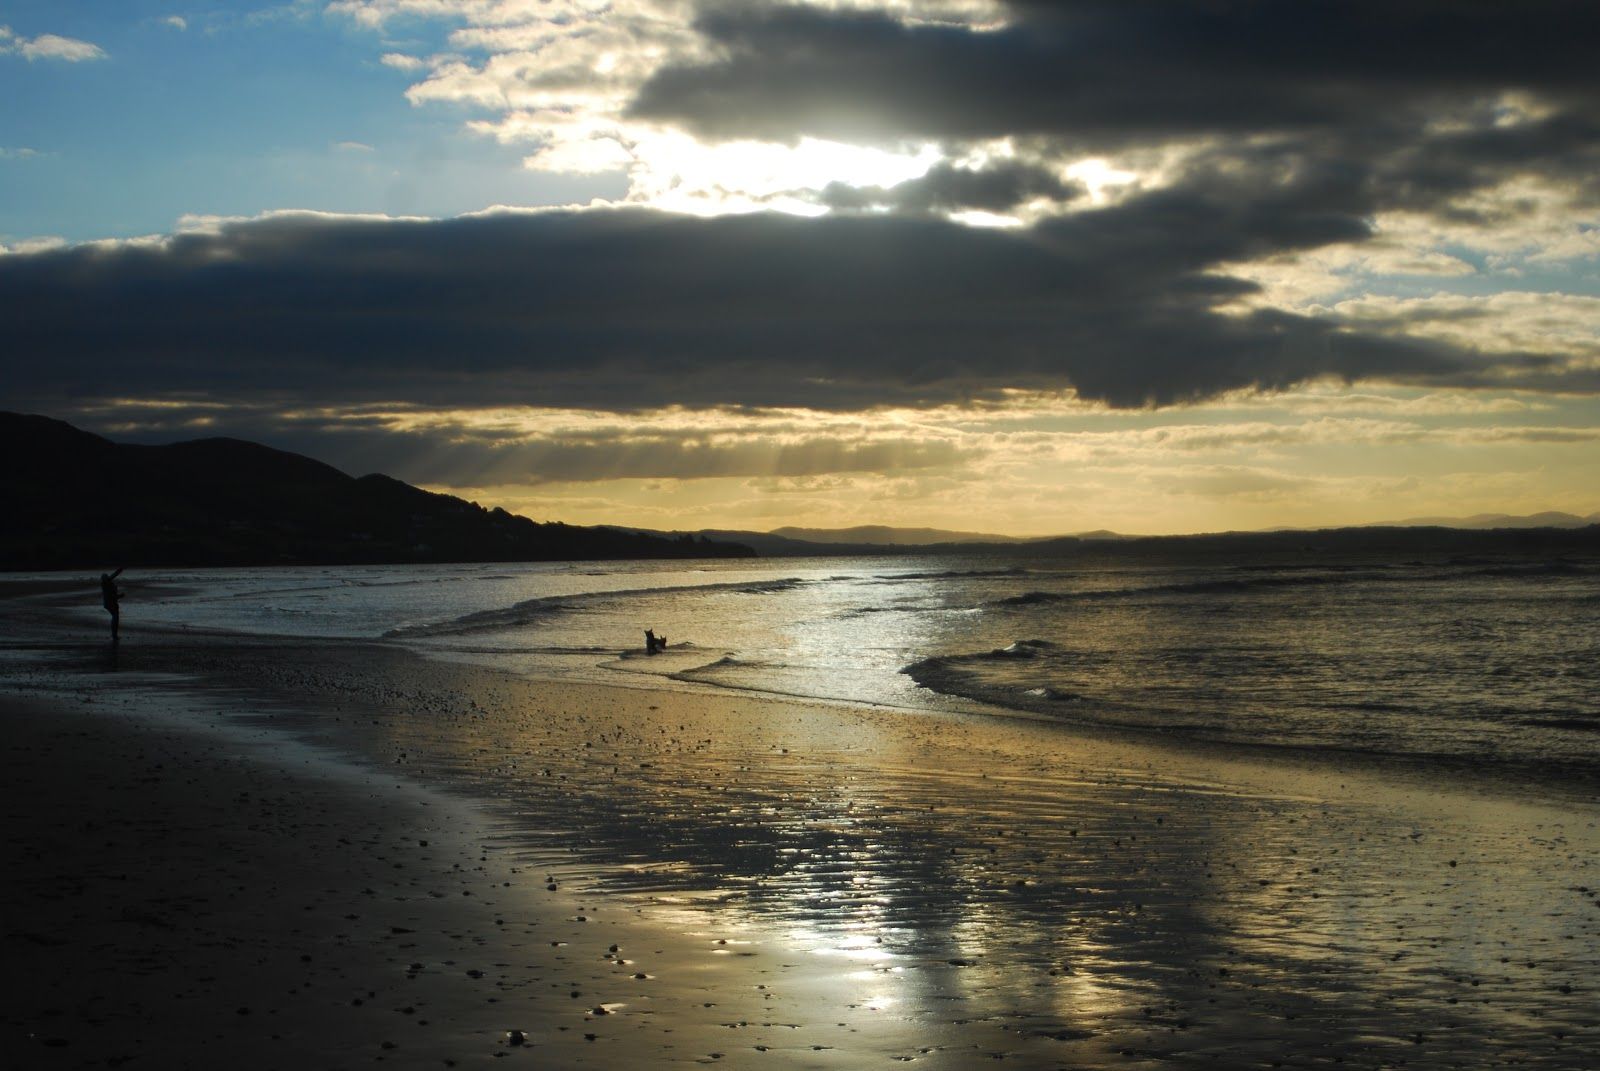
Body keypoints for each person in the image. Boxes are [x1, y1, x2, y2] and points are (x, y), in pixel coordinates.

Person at [100, 567, 124, 643]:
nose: (108, 578)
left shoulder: (108, 584)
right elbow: (112, 596)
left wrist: (120, 596)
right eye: (106, 577)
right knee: (115, 618)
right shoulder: (105, 584)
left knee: (115, 618)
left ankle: (114, 634)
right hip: (110, 604)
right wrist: (118, 571)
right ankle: (114, 635)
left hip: (111, 603)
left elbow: (113, 595)